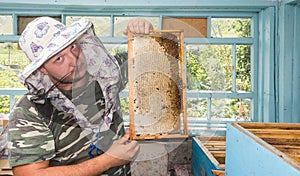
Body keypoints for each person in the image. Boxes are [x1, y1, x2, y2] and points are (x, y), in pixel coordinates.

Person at [7, 16, 153, 176]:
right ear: (42, 68)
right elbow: (29, 174)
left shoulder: (105, 75)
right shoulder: (30, 110)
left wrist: (144, 36)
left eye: (73, 47)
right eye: (59, 58)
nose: (74, 60)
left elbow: (149, 59)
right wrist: (109, 160)